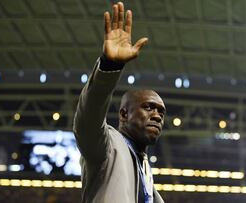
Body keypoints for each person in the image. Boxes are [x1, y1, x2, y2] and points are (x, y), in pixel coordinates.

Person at [73, 2, 166, 203]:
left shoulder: (144, 170)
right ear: (124, 114)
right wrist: (109, 66)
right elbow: (88, 118)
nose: (157, 115)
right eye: (148, 107)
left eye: (161, 112)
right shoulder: (107, 146)